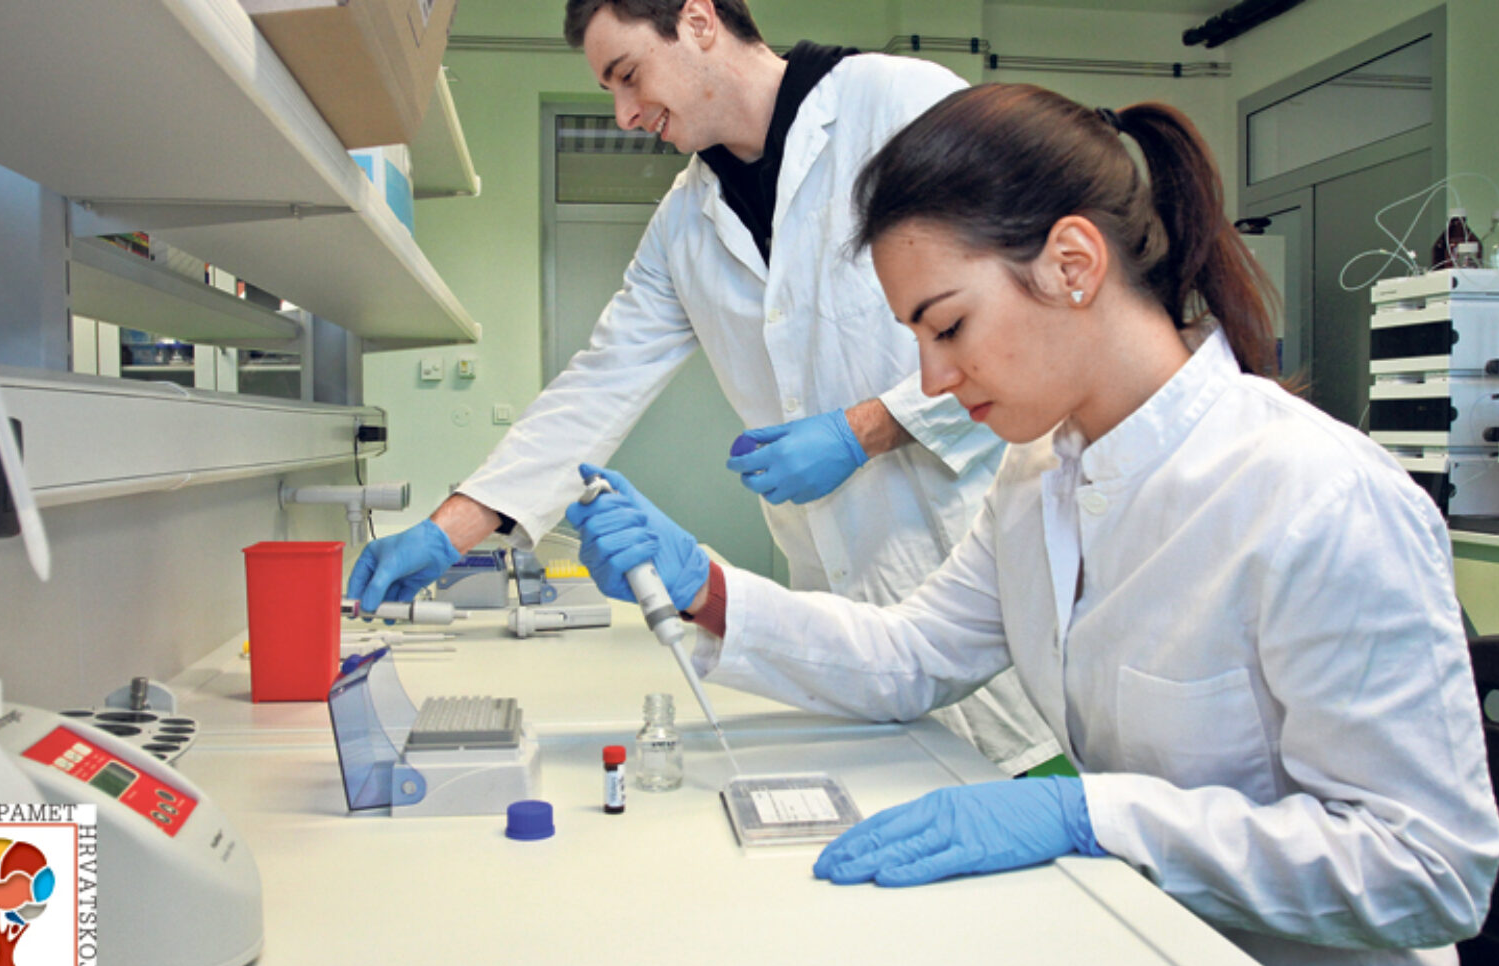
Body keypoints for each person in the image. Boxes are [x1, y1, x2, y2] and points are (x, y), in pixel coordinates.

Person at [565, 83, 1499, 966]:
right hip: (1137, 944)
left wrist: (1096, 814)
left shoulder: (1314, 496)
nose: (932, 379)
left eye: (948, 326)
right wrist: (704, 589)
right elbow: (911, 656)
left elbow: (1429, 870)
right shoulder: (1040, 474)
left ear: (1072, 264)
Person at [347, 0, 1058, 775]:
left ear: (697, 20)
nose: (623, 115)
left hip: (991, 596)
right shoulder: (682, 225)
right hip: (843, 640)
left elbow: (1032, 321)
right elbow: (598, 382)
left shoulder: (898, 105)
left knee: (1033, 802)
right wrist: (451, 529)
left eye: (628, 75)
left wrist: (868, 428)